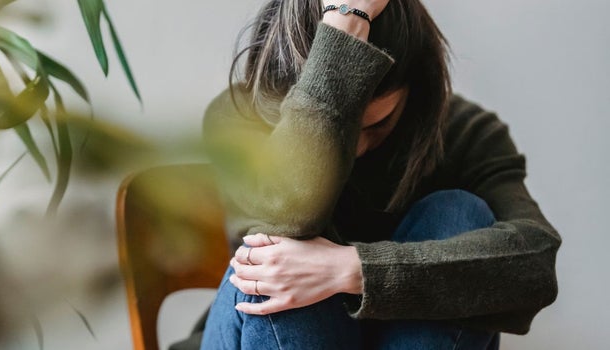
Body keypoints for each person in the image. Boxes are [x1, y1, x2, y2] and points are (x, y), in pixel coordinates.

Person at [172, 0, 561, 349]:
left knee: (458, 212)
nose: (356, 147)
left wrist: (353, 270)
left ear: (415, 88)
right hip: (260, 335)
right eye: (343, 125)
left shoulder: (461, 130)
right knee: (277, 253)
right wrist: (344, 29)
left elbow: (534, 263)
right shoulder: (240, 115)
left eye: (376, 125)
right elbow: (283, 220)